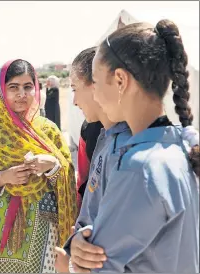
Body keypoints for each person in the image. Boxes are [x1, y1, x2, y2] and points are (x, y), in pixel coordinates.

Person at [69, 19, 199, 273]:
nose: (94, 94)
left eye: (95, 82)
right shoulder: (181, 146)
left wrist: (73, 258)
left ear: (120, 80)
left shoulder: (139, 167)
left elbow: (98, 266)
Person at [0, 59, 78, 273]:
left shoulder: (49, 131)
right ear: (2, 90)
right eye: (13, 87)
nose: (22, 94)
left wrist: (52, 165)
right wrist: (3, 178)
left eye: (28, 87)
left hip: (43, 223)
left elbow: (67, 177)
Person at [54, 47, 131, 273]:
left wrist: (70, 265)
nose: (75, 100)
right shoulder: (104, 138)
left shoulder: (125, 149)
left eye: (75, 89)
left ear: (95, 85)